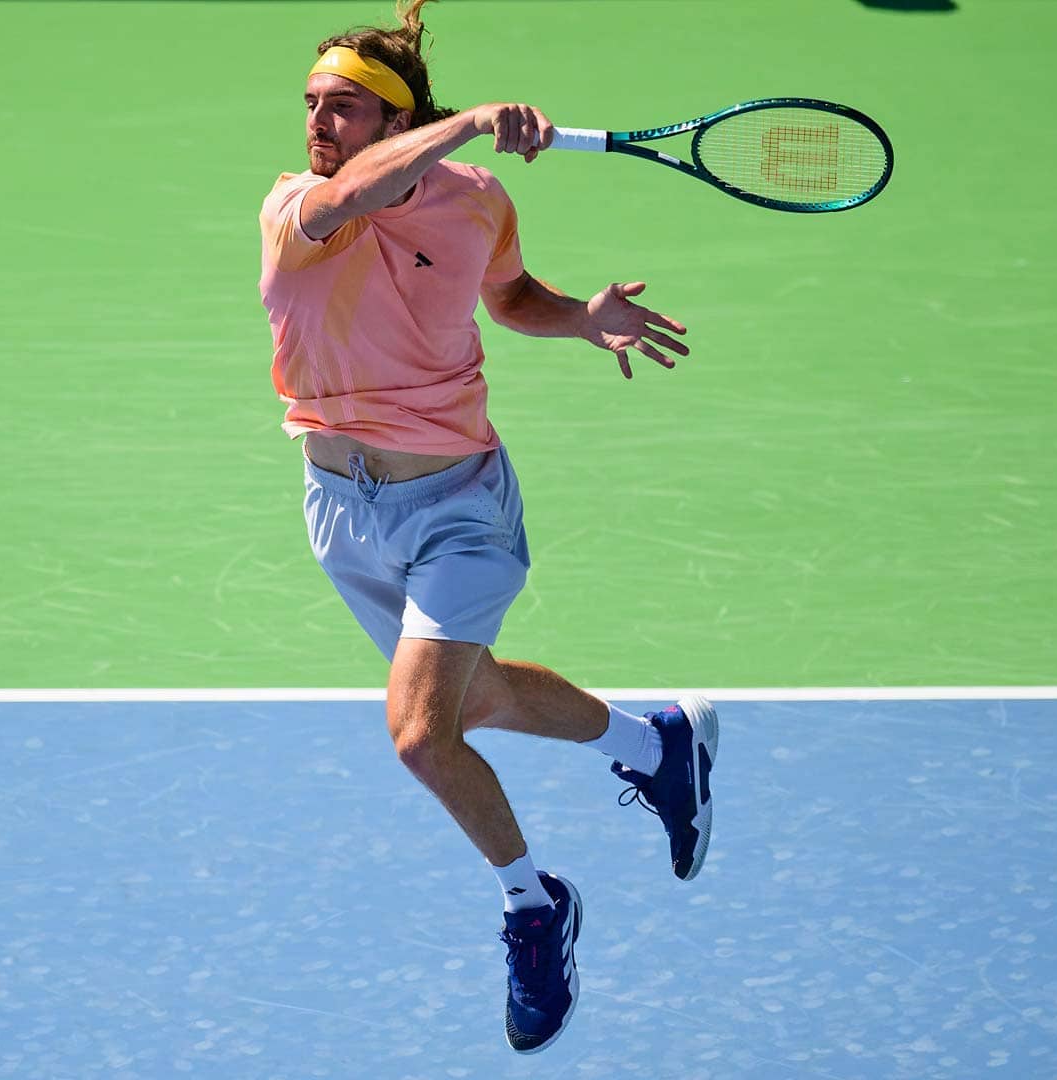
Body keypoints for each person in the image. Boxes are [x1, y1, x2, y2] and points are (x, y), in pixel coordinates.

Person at [256, 0, 721, 1055]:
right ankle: (663, 747)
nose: (318, 125)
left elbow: (506, 295)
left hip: (460, 504)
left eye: (343, 109)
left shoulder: (476, 203)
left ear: (394, 116)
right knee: (477, 702)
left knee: (423, 734)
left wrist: (580, 315)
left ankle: (532, 905)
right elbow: (363, 193)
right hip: (339, 509)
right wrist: (464, 122)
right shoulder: (298, 208)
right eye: (312, 107)